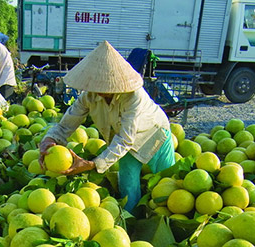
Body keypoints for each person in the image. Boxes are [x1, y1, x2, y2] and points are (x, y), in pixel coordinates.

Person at [38, 41, 174, 212]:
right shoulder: (89, 97)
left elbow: (125, 139)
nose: (100, 90)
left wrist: (93, 164)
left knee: (168, 183)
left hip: (155, 132)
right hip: (124, 140)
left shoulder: (133, 96)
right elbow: (67, 123)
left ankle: (167, 220)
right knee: (128, 188)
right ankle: (130, 222)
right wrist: (49, 139)